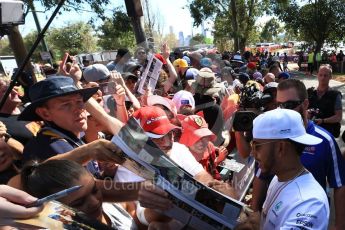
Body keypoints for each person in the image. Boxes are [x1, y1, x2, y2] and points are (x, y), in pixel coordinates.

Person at [251, 79, 345, 230]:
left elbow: (339, 183)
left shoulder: (325, 140)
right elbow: (260, 176)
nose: (282, 111)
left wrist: (339, 225)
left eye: (288, 105)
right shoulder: (277, 175)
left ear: (305, 104)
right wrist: (252, 215)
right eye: (279, 106)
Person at [237, 109, 329, 229]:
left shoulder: (309, 204)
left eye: (257, 146)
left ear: (281, 148)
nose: (253, 153)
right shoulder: (278, 178)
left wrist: (238, 212)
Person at [308, 64, 342, 137]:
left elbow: (338, 117)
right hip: (310, 131)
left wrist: (323, 121)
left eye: (325, 75)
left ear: (330, 77)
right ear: (317, 75)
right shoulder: (310, 93)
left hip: (327, 133)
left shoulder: (335, 95)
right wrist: (306, 114)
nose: (322, 78)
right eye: (320, 75)